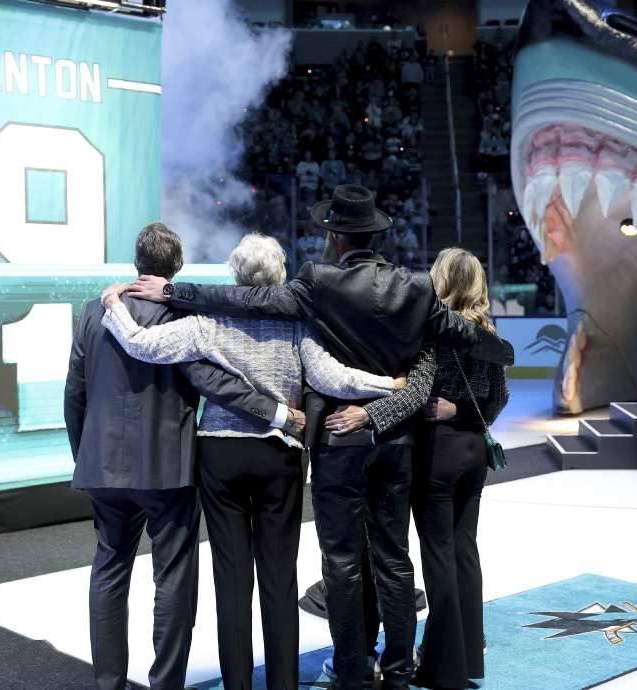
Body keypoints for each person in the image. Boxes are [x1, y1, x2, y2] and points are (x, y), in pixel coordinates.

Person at [124, 185, 513, 690]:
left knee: (344, 561)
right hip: (396, 443)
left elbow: (245, 297)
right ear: (375, 234)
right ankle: (399, 670)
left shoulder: (318, 282)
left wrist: (175, 293)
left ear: (335, 235)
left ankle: (353, 670)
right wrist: (501, 349)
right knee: (395, 558)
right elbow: (470, 337)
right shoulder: (416, 290)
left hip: (338, 442)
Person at [98, 233, 413, 690]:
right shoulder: (295, 325)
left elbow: (143, 345)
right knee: (279, 578)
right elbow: (333, 377)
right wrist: (389, 385)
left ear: (235, 274)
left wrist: (114, 307)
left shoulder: (209, 320)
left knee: (231, 581)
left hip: (220, 454)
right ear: (280, 274)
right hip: (278, 454)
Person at [64, 223, 302, 690]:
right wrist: (280, 414)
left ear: (137, 262)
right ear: (176, 267)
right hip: (167, 469)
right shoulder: (181, 318)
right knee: (172, 579)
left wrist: (86, 457)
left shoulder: (94, 313)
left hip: (103, 467)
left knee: (109, 571)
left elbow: (75, 392)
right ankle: (166, 683)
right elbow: (212, 382)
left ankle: (107, 683)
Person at [408, 249, 509, 690]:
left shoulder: (435, 330)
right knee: (465, 550)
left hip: (438, 454)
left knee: (439, 555)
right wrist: (468, 413)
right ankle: (471, 652)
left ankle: (442, 663)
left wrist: (449, 410)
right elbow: (499, 397)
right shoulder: (488, 329)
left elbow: (419, 392)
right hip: (473, 454)